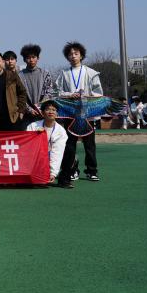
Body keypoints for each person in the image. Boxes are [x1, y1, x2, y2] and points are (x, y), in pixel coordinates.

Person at [55, 41, 103, 186]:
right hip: (71, 114)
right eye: (70, 54)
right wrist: (70, 95)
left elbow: (98, 93)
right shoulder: (64, 74)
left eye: (76, 53)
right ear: (67, 57)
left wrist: (86, 96)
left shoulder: (91, 73)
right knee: (70, 144)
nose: (73, 56)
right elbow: (57, 92)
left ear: (81, 55)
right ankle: (72, 170)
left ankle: (91, 170)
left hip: (87, 114)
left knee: (89, 144)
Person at [25, 100, 67, 185]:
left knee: (69, 152)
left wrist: (53, 173)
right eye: (47, 109)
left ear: (57, 114)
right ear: (42, 113)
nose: (51, 112)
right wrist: (36, 135)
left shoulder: (61, 131)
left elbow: (57, 152)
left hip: (50, 157)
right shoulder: (33, 126)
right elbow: (26, 147)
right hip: (35, 158)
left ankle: (66, 175)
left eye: (54, 110)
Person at [18, 44, 55, 127]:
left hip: (42, 113)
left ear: (38, 58)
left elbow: (49, 93)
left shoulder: (45, 73)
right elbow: (18, 96)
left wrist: (40, 107)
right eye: (28, 58)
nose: (31, 60)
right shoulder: (19, 75)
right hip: (27, 114)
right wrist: (29, 109)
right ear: (24, 60)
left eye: (33, 57)